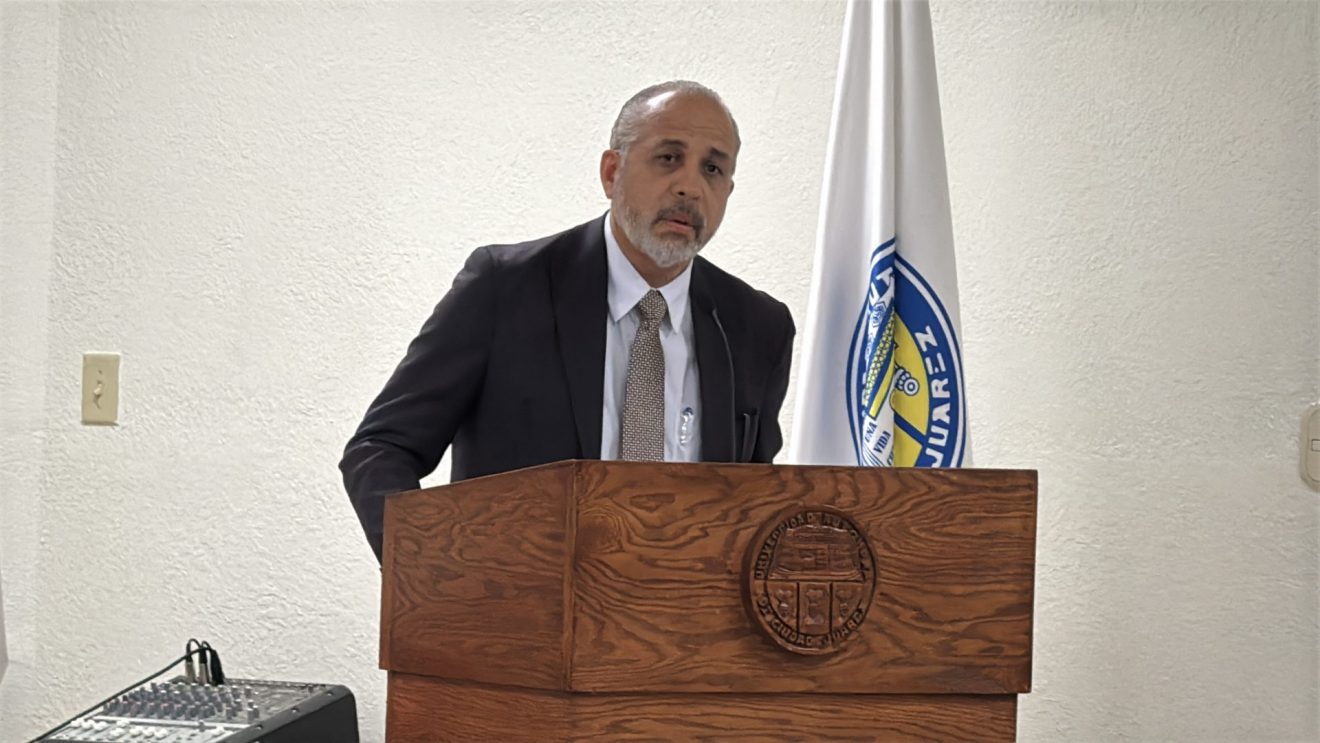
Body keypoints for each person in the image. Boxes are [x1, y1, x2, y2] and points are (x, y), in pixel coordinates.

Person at [340, 81, 795, 561]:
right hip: (523, 601)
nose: (690, 186)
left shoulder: (758, 327)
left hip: (686, 607)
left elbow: (753, 506)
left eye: (712, 168)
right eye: (668, 158)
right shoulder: (506, 288)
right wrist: (436, 580)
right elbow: (380, 448)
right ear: (611, 172)